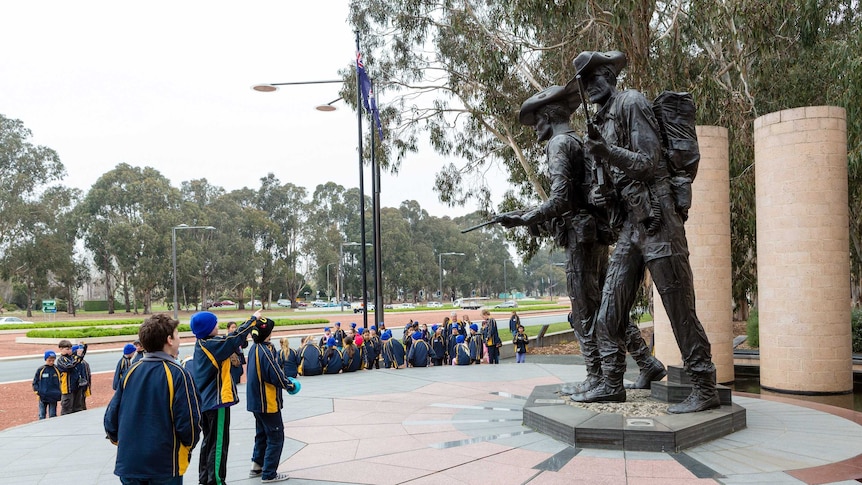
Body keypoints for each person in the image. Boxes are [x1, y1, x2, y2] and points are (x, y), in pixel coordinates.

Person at [570, 50, 716, 413]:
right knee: (608, 311)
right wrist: (600, 192)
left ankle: (703, 385)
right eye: (583, 82)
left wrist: (607, 152)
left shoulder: (631, 103)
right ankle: (610, 383)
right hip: (632, 226)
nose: (589, 87)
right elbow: (604, 187)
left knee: (678, 307)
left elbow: (649, 164)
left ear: (608, 75)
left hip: (660, 218)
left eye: (593, 77)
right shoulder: (600, 124)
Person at [502, 77, 664, 395]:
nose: (534, 129)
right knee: (606, 305)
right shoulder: (577, 142)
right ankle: (646, 363)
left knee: (583, 311)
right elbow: (575, 196)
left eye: (536, 122)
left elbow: (561, 200)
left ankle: (595, 376)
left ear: (548, 118)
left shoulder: (559, 145)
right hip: (595, 236)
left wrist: (524, 217)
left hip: (580, 238)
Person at [104, 313, 202, 484]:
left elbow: (111, 417)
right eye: (177, 334)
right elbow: (189, 422)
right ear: (169, 340)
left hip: (130, 463)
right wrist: (187, 446)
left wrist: (120, 441)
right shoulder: (178, 374)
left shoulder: (131, 371)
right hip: (164, 465)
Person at [191, 310, 260, 485]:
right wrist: (253, 320)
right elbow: (234, 338)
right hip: (216, 402)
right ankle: (216, 481)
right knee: (219, 444)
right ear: (208, 328)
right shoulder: (213, 345)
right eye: (215, 323)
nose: (218, 325)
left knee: (209, 442)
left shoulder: (203, 343)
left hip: (206, 401)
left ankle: (205, 479)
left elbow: (233, 341)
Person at [246, 316, 294, 483]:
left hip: (255, 401)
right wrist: (289, 385)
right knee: (276, 435)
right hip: (266, 401)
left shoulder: (254, 348)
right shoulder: (266, 351)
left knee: (262, 433)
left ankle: (257, 465)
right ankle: (269, 473)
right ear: (268, 333)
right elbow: (275, 374)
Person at [55, 340, 86, 415]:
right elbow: (69, 366)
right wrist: (77, 358)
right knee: (67, 409)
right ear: (61, 349)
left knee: (78, 407)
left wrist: (83, 346)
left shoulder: (72, 357)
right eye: (67, 349)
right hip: (67, 388)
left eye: (70, 349)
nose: (69, 351)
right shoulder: (61, 360)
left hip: (77, 386)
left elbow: (81, 355)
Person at [33, 350, 61, 419]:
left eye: (53, 360)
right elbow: (35, 381)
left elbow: (61, 381)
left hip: (53, 396)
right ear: (46, 359)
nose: (51, 362)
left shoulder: (57, 369)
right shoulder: (41, 369)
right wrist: (37, 391)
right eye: (49, 360)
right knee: (42, 415)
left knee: (52, 415)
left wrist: (59, 392)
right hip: (43, 396)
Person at [72, 344, 92, 411]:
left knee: (82, 404)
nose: (81, 352)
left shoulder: (82, 362)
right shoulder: (76, 362)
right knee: (79, 405)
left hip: (83, 386)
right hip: (78, 387)